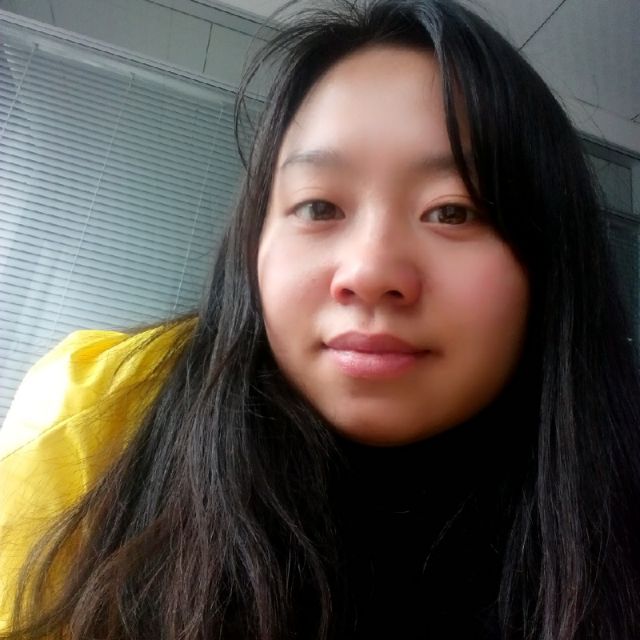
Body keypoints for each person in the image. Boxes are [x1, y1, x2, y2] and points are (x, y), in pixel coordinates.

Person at [1, 0, 639, 638]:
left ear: (551, 260)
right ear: (254, 241)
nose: (369, 271)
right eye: (318, 207)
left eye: (452, 211)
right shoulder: (106, 407)